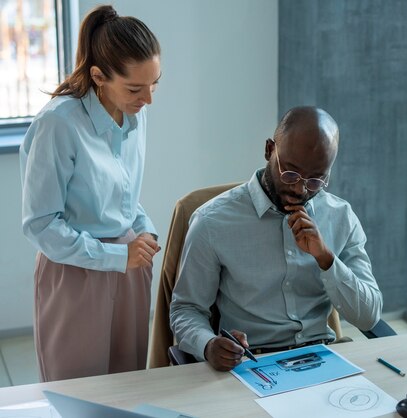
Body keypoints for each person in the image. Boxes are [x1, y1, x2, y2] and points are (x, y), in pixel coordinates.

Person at [170, 106, 383, 371]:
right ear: (270, 150)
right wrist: (208, 344)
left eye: (315, 180)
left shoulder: (340, 217)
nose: (299, 188)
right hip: (252, 363)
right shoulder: (212, 222)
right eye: (290, 173)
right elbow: (185, 310)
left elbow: (369, 317)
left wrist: (326, 259)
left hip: (322, 359)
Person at [19, 5, 161, 382]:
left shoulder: (135, 113)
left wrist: (144, 230)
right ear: (98, 75)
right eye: (135, 88)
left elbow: (122, 194)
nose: (148, 99)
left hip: (129, 267)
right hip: (76, 273)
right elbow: (41, 224)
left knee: (127, 389)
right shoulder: (58, 124)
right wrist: (116, 255)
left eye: (154, 84)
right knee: (77, 395)